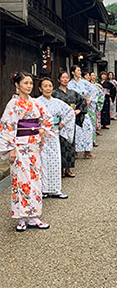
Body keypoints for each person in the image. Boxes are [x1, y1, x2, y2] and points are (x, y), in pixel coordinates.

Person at [0, 71, 54, 231]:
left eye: (30, 83)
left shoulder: (35, 103)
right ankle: (21, 218)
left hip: (34, 147)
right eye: (25, 83)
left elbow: (47, 118)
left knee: (35, 181)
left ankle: (34, 216)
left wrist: (42, 128)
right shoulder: (13, 104)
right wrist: (11, 149)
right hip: (19, 147)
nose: (29, 86)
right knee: (21, 181)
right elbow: (7, 126)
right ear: (17, 85)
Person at [37, 78, 75, 199]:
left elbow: (70, 112)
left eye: (50, 86)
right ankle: (43, 190)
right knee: (41, 162)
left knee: (55, 160)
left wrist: (62, 123)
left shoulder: (57, 102)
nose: (48, 88)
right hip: (41, 135)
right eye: (45, 86)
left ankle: (55, 189)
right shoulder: (36, 102)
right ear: (40, 89)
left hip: (54, 134)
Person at [52, 71, 87, 177]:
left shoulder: (72, 92)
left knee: (70, 144)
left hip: (70, 122)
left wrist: (79, 110)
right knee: (60, 145)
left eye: (67, 77)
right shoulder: (54, 93)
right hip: (59, 121)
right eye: (63, 77)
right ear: (58, 79)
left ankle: (68, 169)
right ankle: (60, 169)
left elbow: (83, 100)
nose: (65, 79)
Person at [67, 65, 97, 158]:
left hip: (84, 107)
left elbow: (94, 90)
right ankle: (75, 151)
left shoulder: (84, 83)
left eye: (80, 70)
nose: (80, 72)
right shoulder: (70, 84)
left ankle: (87, 151)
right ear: (73, 72)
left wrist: (90, 100)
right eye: (78, 70)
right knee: (76, 130)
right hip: (74, 108)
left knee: (88, 128)